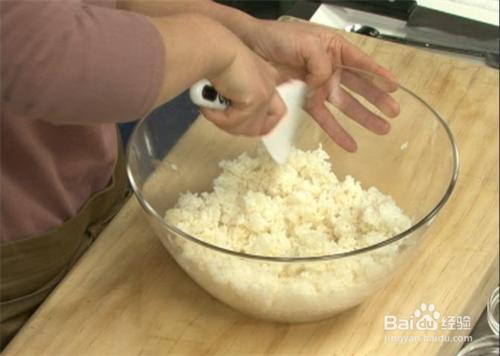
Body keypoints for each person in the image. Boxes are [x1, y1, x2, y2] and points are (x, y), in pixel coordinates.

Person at [0, 0, 399, 348]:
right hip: (15, 267)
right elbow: (32, 48)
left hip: (95, 193)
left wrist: (243, 34)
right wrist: (211, 47)